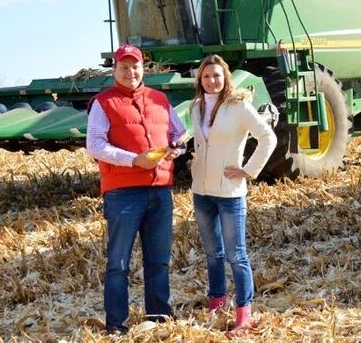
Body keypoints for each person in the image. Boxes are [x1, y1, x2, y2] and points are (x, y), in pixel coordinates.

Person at [86, 44, 188, 334]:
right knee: (118, 263)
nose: (130, 72)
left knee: (159, 260)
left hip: (160, 190)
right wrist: (134, 160)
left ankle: (159, 318)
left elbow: (180, 133)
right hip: (123, 193)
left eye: (135, 66)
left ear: (144, 68)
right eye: (124, 67)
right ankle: (116, 325)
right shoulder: (103, 103)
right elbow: (95, 145)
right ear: (114, 70)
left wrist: (176, 149)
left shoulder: (159, 99)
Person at [189, 54, 276, 337]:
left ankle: (244, 314)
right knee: (212, 254)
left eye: (216, 75)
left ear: (225, 77)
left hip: (229, 193)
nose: (211, 81)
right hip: (201, 192)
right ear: (200, 80)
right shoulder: (196, 107)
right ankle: (217, 304)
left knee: (236, 255)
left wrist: (248, 170)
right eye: (206, 76)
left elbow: (268, 137)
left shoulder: (238, 106)